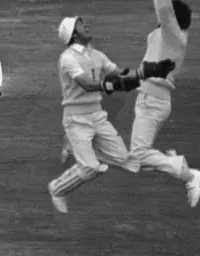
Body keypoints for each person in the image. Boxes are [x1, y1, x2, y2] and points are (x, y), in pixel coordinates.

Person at [49, 16, 176, 214]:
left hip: (97, 116)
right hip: (76, 119)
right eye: (81, 25)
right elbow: (86, 84)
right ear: (74, 33)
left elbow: (120, 74)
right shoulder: (68, 58)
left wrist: (150, 71)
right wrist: (110, 85)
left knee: (124, 158)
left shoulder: (97, 55)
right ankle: (57, 189)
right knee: (89, 168)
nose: (87, 25)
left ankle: (76, 148)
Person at [128, 0, 200, 208]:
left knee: (137, 156)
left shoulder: (173, 36)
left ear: (174, 19)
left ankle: (186, 172)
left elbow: (163, 9)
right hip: (150, 98)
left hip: (153, 100)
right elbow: (163, 13)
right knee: (139, 157)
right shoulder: (169, 37)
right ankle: (174, 163)